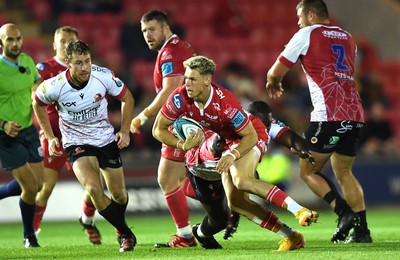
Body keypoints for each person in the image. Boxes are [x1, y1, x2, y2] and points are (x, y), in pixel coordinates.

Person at [152, 55, 319, 247]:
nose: (187, 84)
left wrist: (232, 155)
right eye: (186, 78)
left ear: (207, 80)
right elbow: (158, 129)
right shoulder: (179, 97)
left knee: (242, 180)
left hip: (248, 135)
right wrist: (182, 145)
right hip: (224, 141)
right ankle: (292, 236)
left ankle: (299, 210)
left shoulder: (225, 102)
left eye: (192, 79)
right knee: (237, 204)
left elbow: (250, 136)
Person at [266, 0, 372, 243]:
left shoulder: (307, 33)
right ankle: (362, 231)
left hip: (329, 115)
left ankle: (344, 213)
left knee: (308, 171)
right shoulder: (347, 37)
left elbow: (275, 71)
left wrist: (273, 83)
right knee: (344, 172)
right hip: (354, 113)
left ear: (311, 15)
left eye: (300, 16)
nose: (298, 21)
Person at [32, 40, 136, 252]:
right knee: (94, 189)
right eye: (79, 63)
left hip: (105, 140)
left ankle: (118, 227)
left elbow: (128, 98)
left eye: (87, 61)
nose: (84, 67)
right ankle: (125, 232)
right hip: (76, 143)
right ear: (68, 63)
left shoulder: (102, 76)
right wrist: (51, 136)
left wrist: (125, 130)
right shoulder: (55, 85)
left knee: (120, 196)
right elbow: (37, 103)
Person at [130, 10, 197, 248]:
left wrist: (143, 115)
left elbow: (170, 89)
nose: (147, 35)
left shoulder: (170, 52)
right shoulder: (176, 48)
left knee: (167, 179)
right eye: (144, 31)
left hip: (182, 123)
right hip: (187, 121)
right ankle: (225, 201)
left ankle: (187, 236)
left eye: (152, 29)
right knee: (180, 180)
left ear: (165, 28)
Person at [34, 26, 103, 244]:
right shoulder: (44, 69)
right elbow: (35, 102)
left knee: (96, 184)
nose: (65, 45)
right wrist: (47, 135)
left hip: (80, 135)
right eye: (61, 41)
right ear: (54, 44)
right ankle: (32, 232)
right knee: (46, 188)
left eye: (69, 41)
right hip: (54, 136)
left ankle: (87, 219)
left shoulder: (86, 69)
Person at [223, 104, 316, 240]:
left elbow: (291, 137)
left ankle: (294, 225)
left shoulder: (269, 125)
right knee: (229, 207)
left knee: (241, 188)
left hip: (231, 164)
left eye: (267, 124)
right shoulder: (236, 120)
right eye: (261, 124)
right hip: (210, 163)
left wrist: (302, 148)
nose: (265, 129)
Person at [0, 23, 44, 248]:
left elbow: (35, 81)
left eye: (18, 39)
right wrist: (4, 124)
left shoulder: (27, 61)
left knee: (38, 184)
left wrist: (37, 90)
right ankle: (29, 235)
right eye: (10, 40)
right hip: (5, 135)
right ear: (1, 43)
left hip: (28, 130)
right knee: (29, 187)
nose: (15, 43)